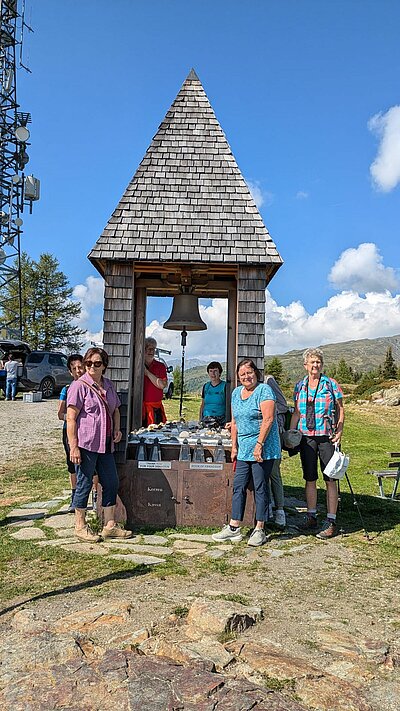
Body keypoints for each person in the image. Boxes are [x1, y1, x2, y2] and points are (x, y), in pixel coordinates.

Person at [212, 358, 281, 547]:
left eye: (249, 373)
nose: (246, 377)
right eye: (242, 374)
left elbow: (268, 420)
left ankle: (260, 528)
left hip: (263, 448)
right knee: (239, 485)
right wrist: (234, 447)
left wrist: (259, 445)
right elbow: (235, 422)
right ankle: (234, 527)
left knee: (260, 486)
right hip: (243, 448)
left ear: (256, 373)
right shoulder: (235, 393)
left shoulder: (264, 391)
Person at [67, 347, 132, 542]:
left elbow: (116, 410)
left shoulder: (109, 386)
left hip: (105, 444)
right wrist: (74, 446)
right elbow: (71, 418)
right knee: (85, 483)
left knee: (111, 482)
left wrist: (118, 429)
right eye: (88, 363)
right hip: (86, 444)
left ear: (104, 366)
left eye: (96, 363)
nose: (91, 367)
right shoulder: (79, 386)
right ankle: (80, 525)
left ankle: (109, 525)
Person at [289, 347, 344, 540]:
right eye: (312, 362)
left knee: (330, 479)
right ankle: (311, 516)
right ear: (305, 365)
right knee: (309, 478)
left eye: (318, 362)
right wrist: (291, 435)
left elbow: (340, 409)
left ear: (322, 365)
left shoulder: (331, 384)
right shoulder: (300, 386)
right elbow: (296, 412)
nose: (315, 365)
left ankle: (331, 521)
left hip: (326, 437)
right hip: (306, 438)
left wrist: (339, 431)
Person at [58, 354, 99, 513]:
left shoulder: (94, 386)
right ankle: (75, 496)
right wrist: (72, 418)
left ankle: (95, 496)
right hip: (70, 432)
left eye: (80, 367)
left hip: (88, 434)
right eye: (74, 369)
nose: (78, 371)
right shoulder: (67, 390)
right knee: (73, 465)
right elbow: (60, 413)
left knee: (93, 465)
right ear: (70, 372)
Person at [264, 373, 288, 529]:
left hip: (274, 434)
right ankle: (268, 508)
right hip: (257, 435)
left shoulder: (268, 380)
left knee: (273, 472)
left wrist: (268, 408)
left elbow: (284, 406)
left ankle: (280, 510)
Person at [142, 336, 168, 426]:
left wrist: (147, 373)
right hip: (140, 410)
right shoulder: (137, 365)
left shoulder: (160, 366)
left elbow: (162, 385)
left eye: (153, 349)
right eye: (148, 349)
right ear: (143, 349)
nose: (151, 352)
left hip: (156, 410)